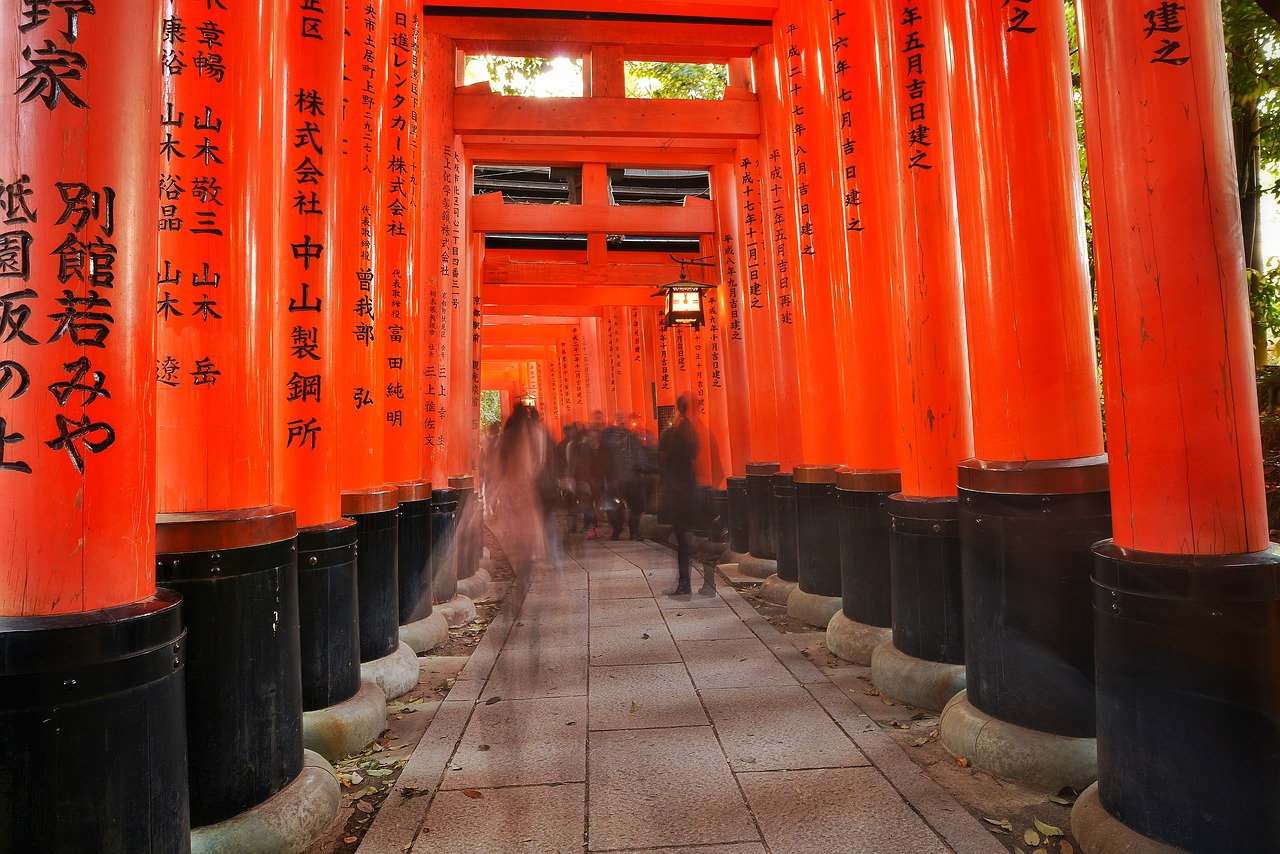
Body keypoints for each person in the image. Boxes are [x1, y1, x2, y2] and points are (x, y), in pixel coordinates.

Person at [658, 393, 710, 596]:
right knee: (693, 537)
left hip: (681, 491)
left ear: (678, 408)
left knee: (683, 539)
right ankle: (704, 583)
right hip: (691, 488)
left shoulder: (680, 432)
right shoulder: (694, 429)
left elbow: (671, 461)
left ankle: (685, 584)